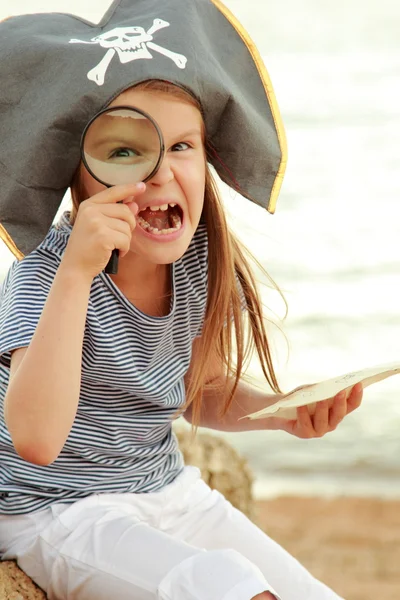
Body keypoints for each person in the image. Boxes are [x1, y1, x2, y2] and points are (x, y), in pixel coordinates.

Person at [0, 2, 363, 599]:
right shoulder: (46, 275)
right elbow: (36, 440)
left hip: (167, 489)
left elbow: (202, 391)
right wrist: (77, 275)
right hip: (58, 510)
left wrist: (283, 410)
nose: (163, 172)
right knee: (224, 587)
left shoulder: (194, 261)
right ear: (79, 175)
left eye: (184, 146)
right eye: (125, 151)